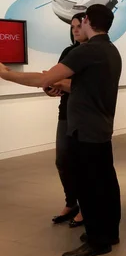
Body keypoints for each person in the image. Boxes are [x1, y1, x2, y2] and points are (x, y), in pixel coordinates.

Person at [0, 4, 122, 256]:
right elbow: (78, 84)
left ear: (87, 20)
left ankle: (97, 240)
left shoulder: (87, 51)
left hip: (85, 130)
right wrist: (59, 84)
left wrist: (6, 74)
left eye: (81, 23)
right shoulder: (110, 50)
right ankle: (109, 233)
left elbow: (42, 79)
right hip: (100, 128)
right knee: (105, 182)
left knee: (89, 187)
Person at [49, 12, 87, 229]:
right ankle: (71, 202)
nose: (75, 30)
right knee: (62, 161)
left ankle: (85, 206)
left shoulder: (93, 53)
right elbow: (56, 79)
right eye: (72, 26)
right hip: (65, 112)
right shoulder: (68, 52)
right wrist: (51, 88)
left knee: (82, 163)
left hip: (85, 114)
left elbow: (86, 86)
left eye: (79, 26)